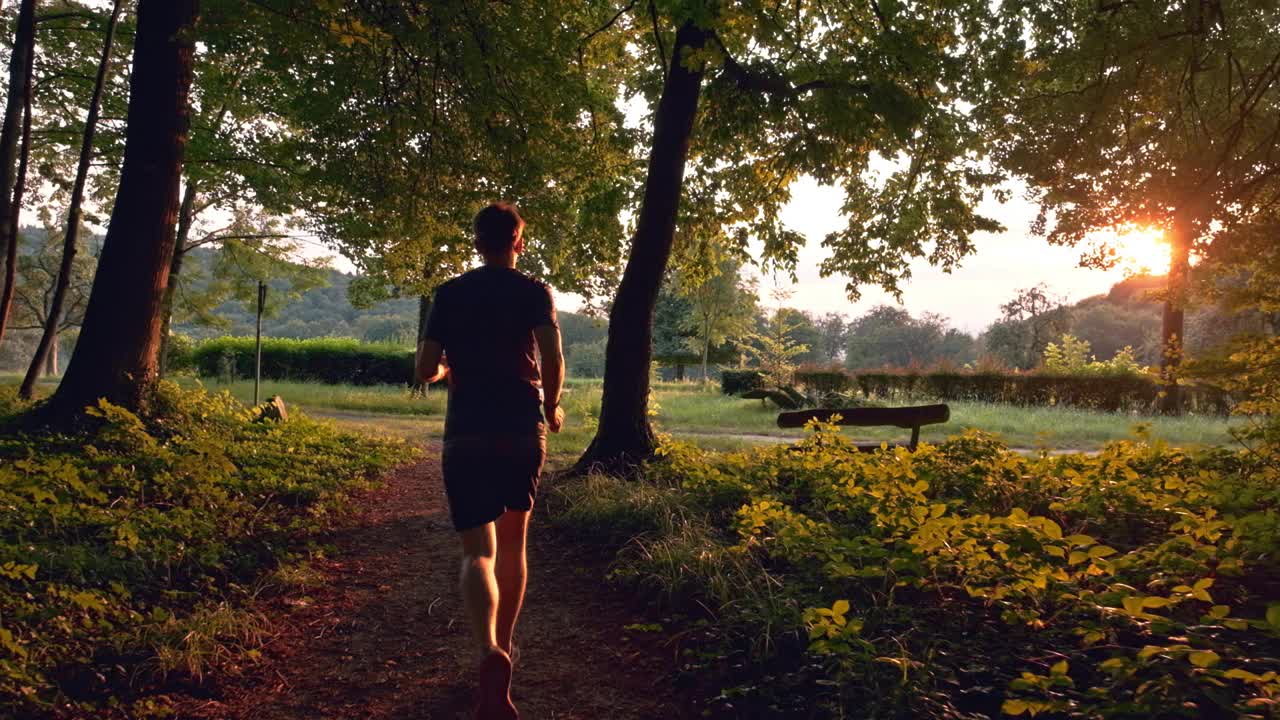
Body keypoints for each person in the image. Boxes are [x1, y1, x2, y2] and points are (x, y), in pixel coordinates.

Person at [415, 202, 564, 720]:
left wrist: (443, 370)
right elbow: (551, 356)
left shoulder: (450, 295)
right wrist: (551, 405)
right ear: (518, 241)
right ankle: (508, 643)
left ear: (476, 242)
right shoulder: (534, 292)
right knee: (515, 543)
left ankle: (487, 652)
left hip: (467, 431)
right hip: (522, 426)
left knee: (478, 551)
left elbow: (424, 368)